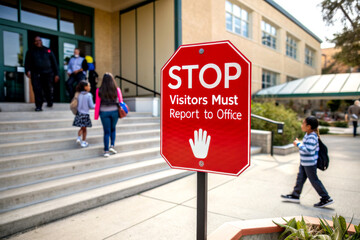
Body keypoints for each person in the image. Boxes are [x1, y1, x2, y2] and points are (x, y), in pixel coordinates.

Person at [281, 116, 334, 208]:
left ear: (308, 126)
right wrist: (300, 143)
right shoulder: (308, 135)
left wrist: (298, 144)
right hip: (304, 162)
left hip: (310, 164)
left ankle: (326, 198)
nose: (301, 125)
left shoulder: (312, 137)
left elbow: (309, 150)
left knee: (314, 181)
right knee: (300, 178)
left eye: (303, 123)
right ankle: (295, 195)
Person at [25, 36, 59, 111]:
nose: (38, 42)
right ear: (34, 42)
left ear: (41, 41)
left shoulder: (48, 50)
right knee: (37, 90)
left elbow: (54, 63)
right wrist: (27, 70)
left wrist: (57, 74)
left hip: (48, 73)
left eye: (39, 40)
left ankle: (50, 101)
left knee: (48, 89)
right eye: (36, 41)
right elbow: (27, 62)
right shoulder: (30, 51)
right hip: (35, 74)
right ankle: (38, 106)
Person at [94, 73, 124, 157]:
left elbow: (97, 104)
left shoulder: (98, 90)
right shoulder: (117, 89)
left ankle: (106, 151)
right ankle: (112, 146)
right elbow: (121, 102)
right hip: (114, 111)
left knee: (106, 132)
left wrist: (96, 116)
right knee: (113, 129)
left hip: (103, 112)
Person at [73, 81, 95, 148]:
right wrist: (97, 105)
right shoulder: (89, 95)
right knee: (84, 129)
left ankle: (79, 137)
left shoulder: (78, 94)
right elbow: (91, 106)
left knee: (82, 128)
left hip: (79, 114)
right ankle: (83, 142)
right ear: (85, 87)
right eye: (89, 86)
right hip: (85, 114)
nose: (90, 87)